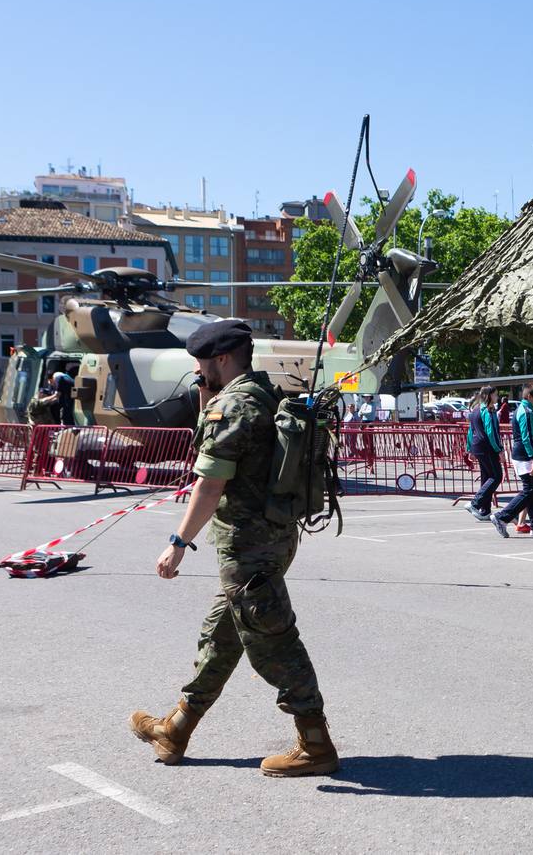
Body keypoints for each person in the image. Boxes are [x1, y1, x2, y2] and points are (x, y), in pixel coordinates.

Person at [129, 319, 338, 778]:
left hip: (249, 548)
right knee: (221, 637)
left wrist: (178, 542)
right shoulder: (263, 394)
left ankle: (316, 744)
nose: (198, 371)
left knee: (274, 642)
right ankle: (176, 728)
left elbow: (209, 483)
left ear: (220, 359)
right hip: (273, 537)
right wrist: (209, 395)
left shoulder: (234, 406)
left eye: (202, 363)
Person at [490, 384, 533, 538]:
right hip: (525, 456)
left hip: (526, 455)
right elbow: (526, 437)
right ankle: (502, 516)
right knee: (530, 489)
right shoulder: (526, 412)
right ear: (529, 397)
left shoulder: (526, 410)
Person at [465, 385, 503, 521]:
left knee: (486, 478)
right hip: (487, 447)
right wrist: (499, 449)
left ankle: (484, 510)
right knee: (497, 476)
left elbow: (471, 431)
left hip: (478, 446)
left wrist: (469, 448)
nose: (497, 397)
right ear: (489, 396)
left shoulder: (475, 410)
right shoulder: (488, 411)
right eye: (495, 394)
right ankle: (475, 503)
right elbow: (491, 432)